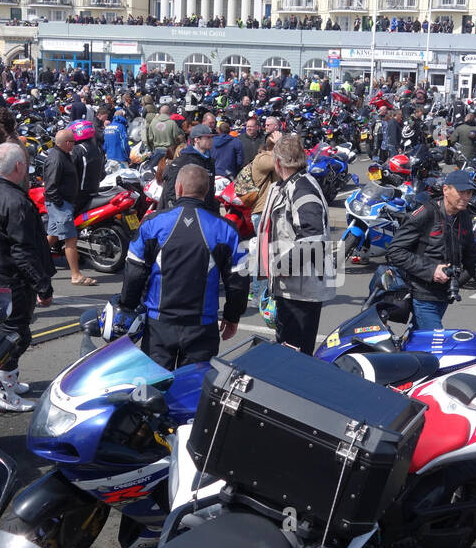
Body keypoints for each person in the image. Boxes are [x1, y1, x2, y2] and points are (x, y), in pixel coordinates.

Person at [119, 163, 249, 369]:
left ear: (178, 188)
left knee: (153, 391)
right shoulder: (226, 229)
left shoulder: (152, 223)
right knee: (192, 393)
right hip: (202, 327)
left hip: (158, 325)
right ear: (207, 191)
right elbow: (239, 281)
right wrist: (233, 316)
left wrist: (126, 307)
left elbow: (135, 272)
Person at [0, 142, 55, 412]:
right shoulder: (15, 200)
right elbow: (22, 251)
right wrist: (42, 285)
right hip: (11, 279)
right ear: (19, 166)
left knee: (14, 331)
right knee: (15, 334)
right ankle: (1, 390)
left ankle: (8, 380)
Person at [387, 169, 476, 330]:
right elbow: (395, 251)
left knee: (418, 339)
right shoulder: (426, 214)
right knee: (435, 342)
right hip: (422, 294)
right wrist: (432, 270)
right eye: (461, 192)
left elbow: (473, 260)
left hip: (444, 294)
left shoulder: (463, 216)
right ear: (446, 190)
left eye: (469, 193)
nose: (466, 197)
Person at [257, 135, 333, 353]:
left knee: (294, 357)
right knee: (289, 351)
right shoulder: (293, 184)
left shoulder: (302, 188)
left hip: (300, 291)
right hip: (294, 287)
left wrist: (281, 266)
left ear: (278, 163)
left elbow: (313, 238)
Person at [44, 125, 96, 286]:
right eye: (72, 141)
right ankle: (76, 275)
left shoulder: (64, 155)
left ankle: (34, 263)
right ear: (66, 142)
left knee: (52, 237)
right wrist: (61, 205)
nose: (74, 144)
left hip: (63, 203)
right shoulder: (56, 159)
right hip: (60, 204)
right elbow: (50, 187)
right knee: (70, 238)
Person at [158, 123, 218, 212]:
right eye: (208, 137)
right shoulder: (183, 161)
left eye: (212, 137)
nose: (211, 140)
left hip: (204, 212)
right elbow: (171, 191)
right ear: (197, 140)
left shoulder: (209, 161)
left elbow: (210, 193)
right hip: (185, 213)